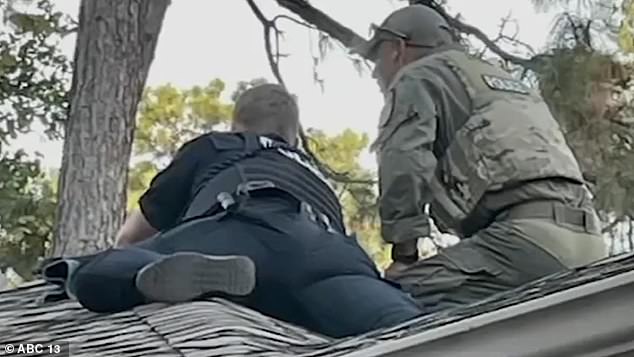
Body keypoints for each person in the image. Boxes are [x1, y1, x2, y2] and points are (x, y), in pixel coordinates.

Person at [41, 84, 421, 338]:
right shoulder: (316, 175)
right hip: (324, 253)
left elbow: (131, 236)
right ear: (291, 134)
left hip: (233, 230)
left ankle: (157, 277)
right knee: (403, 330)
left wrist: (132, 255)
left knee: (98, 271)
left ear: (237, 123)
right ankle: (400, 317)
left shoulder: (218, 145)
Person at [352, 5, 609, 310]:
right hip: (591, 243)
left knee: (387, 304)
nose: (374, 71)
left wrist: (404, 255)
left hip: (523, 242)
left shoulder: (417, 76)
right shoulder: (504, 82)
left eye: (377, 57)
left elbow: (403, 161)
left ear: (398, 49)